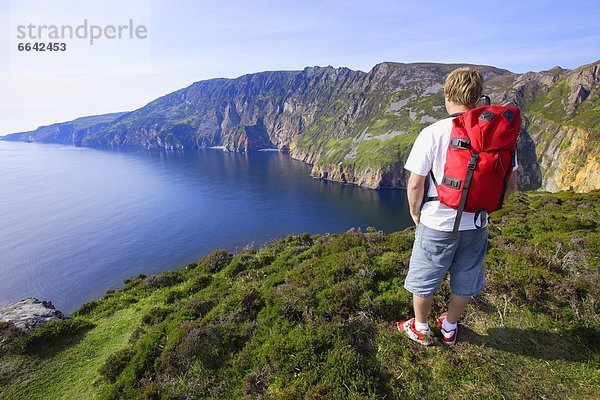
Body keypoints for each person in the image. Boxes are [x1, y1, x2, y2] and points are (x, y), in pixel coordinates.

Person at [397, 67, 518, 346]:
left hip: (437, 222)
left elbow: (416, 183)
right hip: (476, 224)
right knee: (465, 278)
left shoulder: (434, 132)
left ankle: (420, 327)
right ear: (478, 96)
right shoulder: (497, 134)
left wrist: (415, 211)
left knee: (426, 278)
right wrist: (485, 208)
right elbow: (510, 184)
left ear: (448, 94)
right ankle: (450, 327)